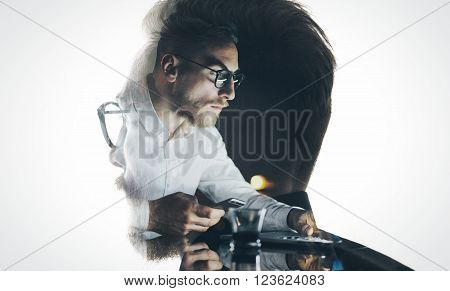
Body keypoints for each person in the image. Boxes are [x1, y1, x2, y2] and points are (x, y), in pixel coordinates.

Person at [98, 0, 317, 237]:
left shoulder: (205, 137)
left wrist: (291, 216)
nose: (231, 94)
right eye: (220, 76)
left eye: (235, 78)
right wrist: (150, 215)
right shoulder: (110, 118)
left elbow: (240, 196)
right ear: (171, 68)